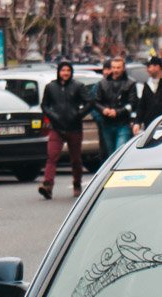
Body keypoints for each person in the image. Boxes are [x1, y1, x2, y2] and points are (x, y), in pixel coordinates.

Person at [39, 60, 91, 199]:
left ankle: (77, 184)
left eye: (68, 70)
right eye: (63, 70)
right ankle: (47, 185)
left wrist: (78, 114)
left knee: (75, 159)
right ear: (58, 72)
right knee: (52, 156)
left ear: (71, 72)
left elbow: (89, 103)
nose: (65, 73)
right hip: (57, 127)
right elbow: (44, 105)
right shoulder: (51, 87)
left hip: (74, 128)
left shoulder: (78, 86)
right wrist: (52, 115)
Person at [95, 56, 137, 155]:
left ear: (123, 68)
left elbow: (132, 103)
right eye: (113, 67)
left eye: (118, 67)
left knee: (120, 152)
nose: (115, 70)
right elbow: (96, 102)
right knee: (110, 154)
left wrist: (117, 112)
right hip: (107, 123)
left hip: (123, 124)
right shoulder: (103, 83)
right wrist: (103, 110)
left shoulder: (130, 83)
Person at [133, 56, 162, 130]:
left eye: (149, 67)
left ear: (157, 67)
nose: (147, 70)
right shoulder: (147, 84)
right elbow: (142, 105)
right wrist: (137, 122)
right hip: (150, 127)